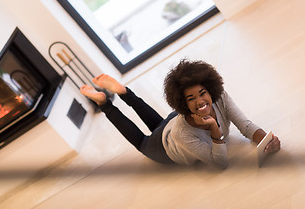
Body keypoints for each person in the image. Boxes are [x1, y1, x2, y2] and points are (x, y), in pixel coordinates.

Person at [80, 59, 281, 169]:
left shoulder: (221, 97)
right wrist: (213, 127)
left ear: (211, 89)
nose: (200, 101)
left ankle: (123, 92)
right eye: (191, 98)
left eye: (203, 93)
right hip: (165, 145)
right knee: (142, 142)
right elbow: (220, 163)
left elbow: (245, 125)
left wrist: (265, 139)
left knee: (159, 123)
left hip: (172, 120)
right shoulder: (181, 134)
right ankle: (104, 103)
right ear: (182, 102)